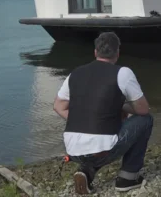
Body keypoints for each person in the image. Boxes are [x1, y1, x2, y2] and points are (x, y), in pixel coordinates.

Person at [53, 32, 153, 194]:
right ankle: (128, 177)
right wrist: (121, 107)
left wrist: (84, 118)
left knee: (98, 139)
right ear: (118, 53)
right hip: (102, 151)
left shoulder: (75, 73)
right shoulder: (123, 73)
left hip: (73, 152)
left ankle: (86, 172)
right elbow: (143, 109)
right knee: (145, 120)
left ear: (95, 52)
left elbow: (58, 106)